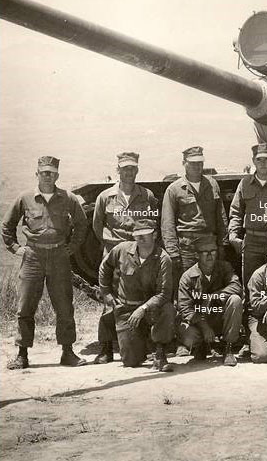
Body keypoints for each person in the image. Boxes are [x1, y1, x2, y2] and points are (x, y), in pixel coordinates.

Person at [3, 156, 88, 369]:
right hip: (33, 257)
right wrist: (16, 249)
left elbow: (81, 224)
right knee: (25, 306)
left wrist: (73, 247)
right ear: (37, 174)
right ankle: (22, 354)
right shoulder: (25, 198)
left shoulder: (68, 198)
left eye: (51, 172)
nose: (47, 176)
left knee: (64, 306)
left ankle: (67, 353)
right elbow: (7, 226)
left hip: (59, 257)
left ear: (57, 175)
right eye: (44, 172)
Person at [91, 151, 159, 364]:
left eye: (132, 168)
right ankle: (105, 348)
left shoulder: (146, 196)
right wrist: (112, 246)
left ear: (137, 170)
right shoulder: (105, 197)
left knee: (139, 296)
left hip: (139, 254)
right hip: (114, 254)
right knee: (109, 300)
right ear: (117, 170)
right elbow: (96, 225)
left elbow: (152, 223)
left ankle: (144, 342)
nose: (129, 172)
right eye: (125, 168)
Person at [228, 143, 267, 357]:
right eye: (259, 159)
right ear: (253, 161)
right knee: (250, 290)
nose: (263, 163)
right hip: (252, 242)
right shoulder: (245, 184)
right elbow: (236, 212)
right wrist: (234, 235)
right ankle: (250, 337)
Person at [98, 220, 175, 371]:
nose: (140, 239)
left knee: (168, 309)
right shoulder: (122, 249)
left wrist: (143, 308)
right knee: (130, 361)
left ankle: (160, 350)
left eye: (144, 235)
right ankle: (143, 344)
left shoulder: (163, 259)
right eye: (137, 236)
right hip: (127, 309)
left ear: (155, 235)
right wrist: (106, 293)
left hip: (151, 310)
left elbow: (164, 293)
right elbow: (104, 267)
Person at [161, 146, 228, 284]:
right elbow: (167, 224)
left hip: (210, 245)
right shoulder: (174, 189)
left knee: (211, 284)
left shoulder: (212, 184)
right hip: (187, 248)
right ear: (184, 163)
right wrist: (173, 253)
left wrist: (222, 244)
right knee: (188, 285)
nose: (197, 166)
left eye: (200, 162)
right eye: (193, 163)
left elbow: (221, 217)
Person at [176, 236, 243, 366]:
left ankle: (228, 347)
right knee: (186, 334)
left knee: (235, 300)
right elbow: (184, 308)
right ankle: (201, 345)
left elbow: (236, 286)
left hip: (220, 318)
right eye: (205, 253)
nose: (210, 256)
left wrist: (215, 296)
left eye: (213, 251)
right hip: (200, 321)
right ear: (196, 255)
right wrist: (204, 326)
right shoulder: (188, 277)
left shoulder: (224, 267)